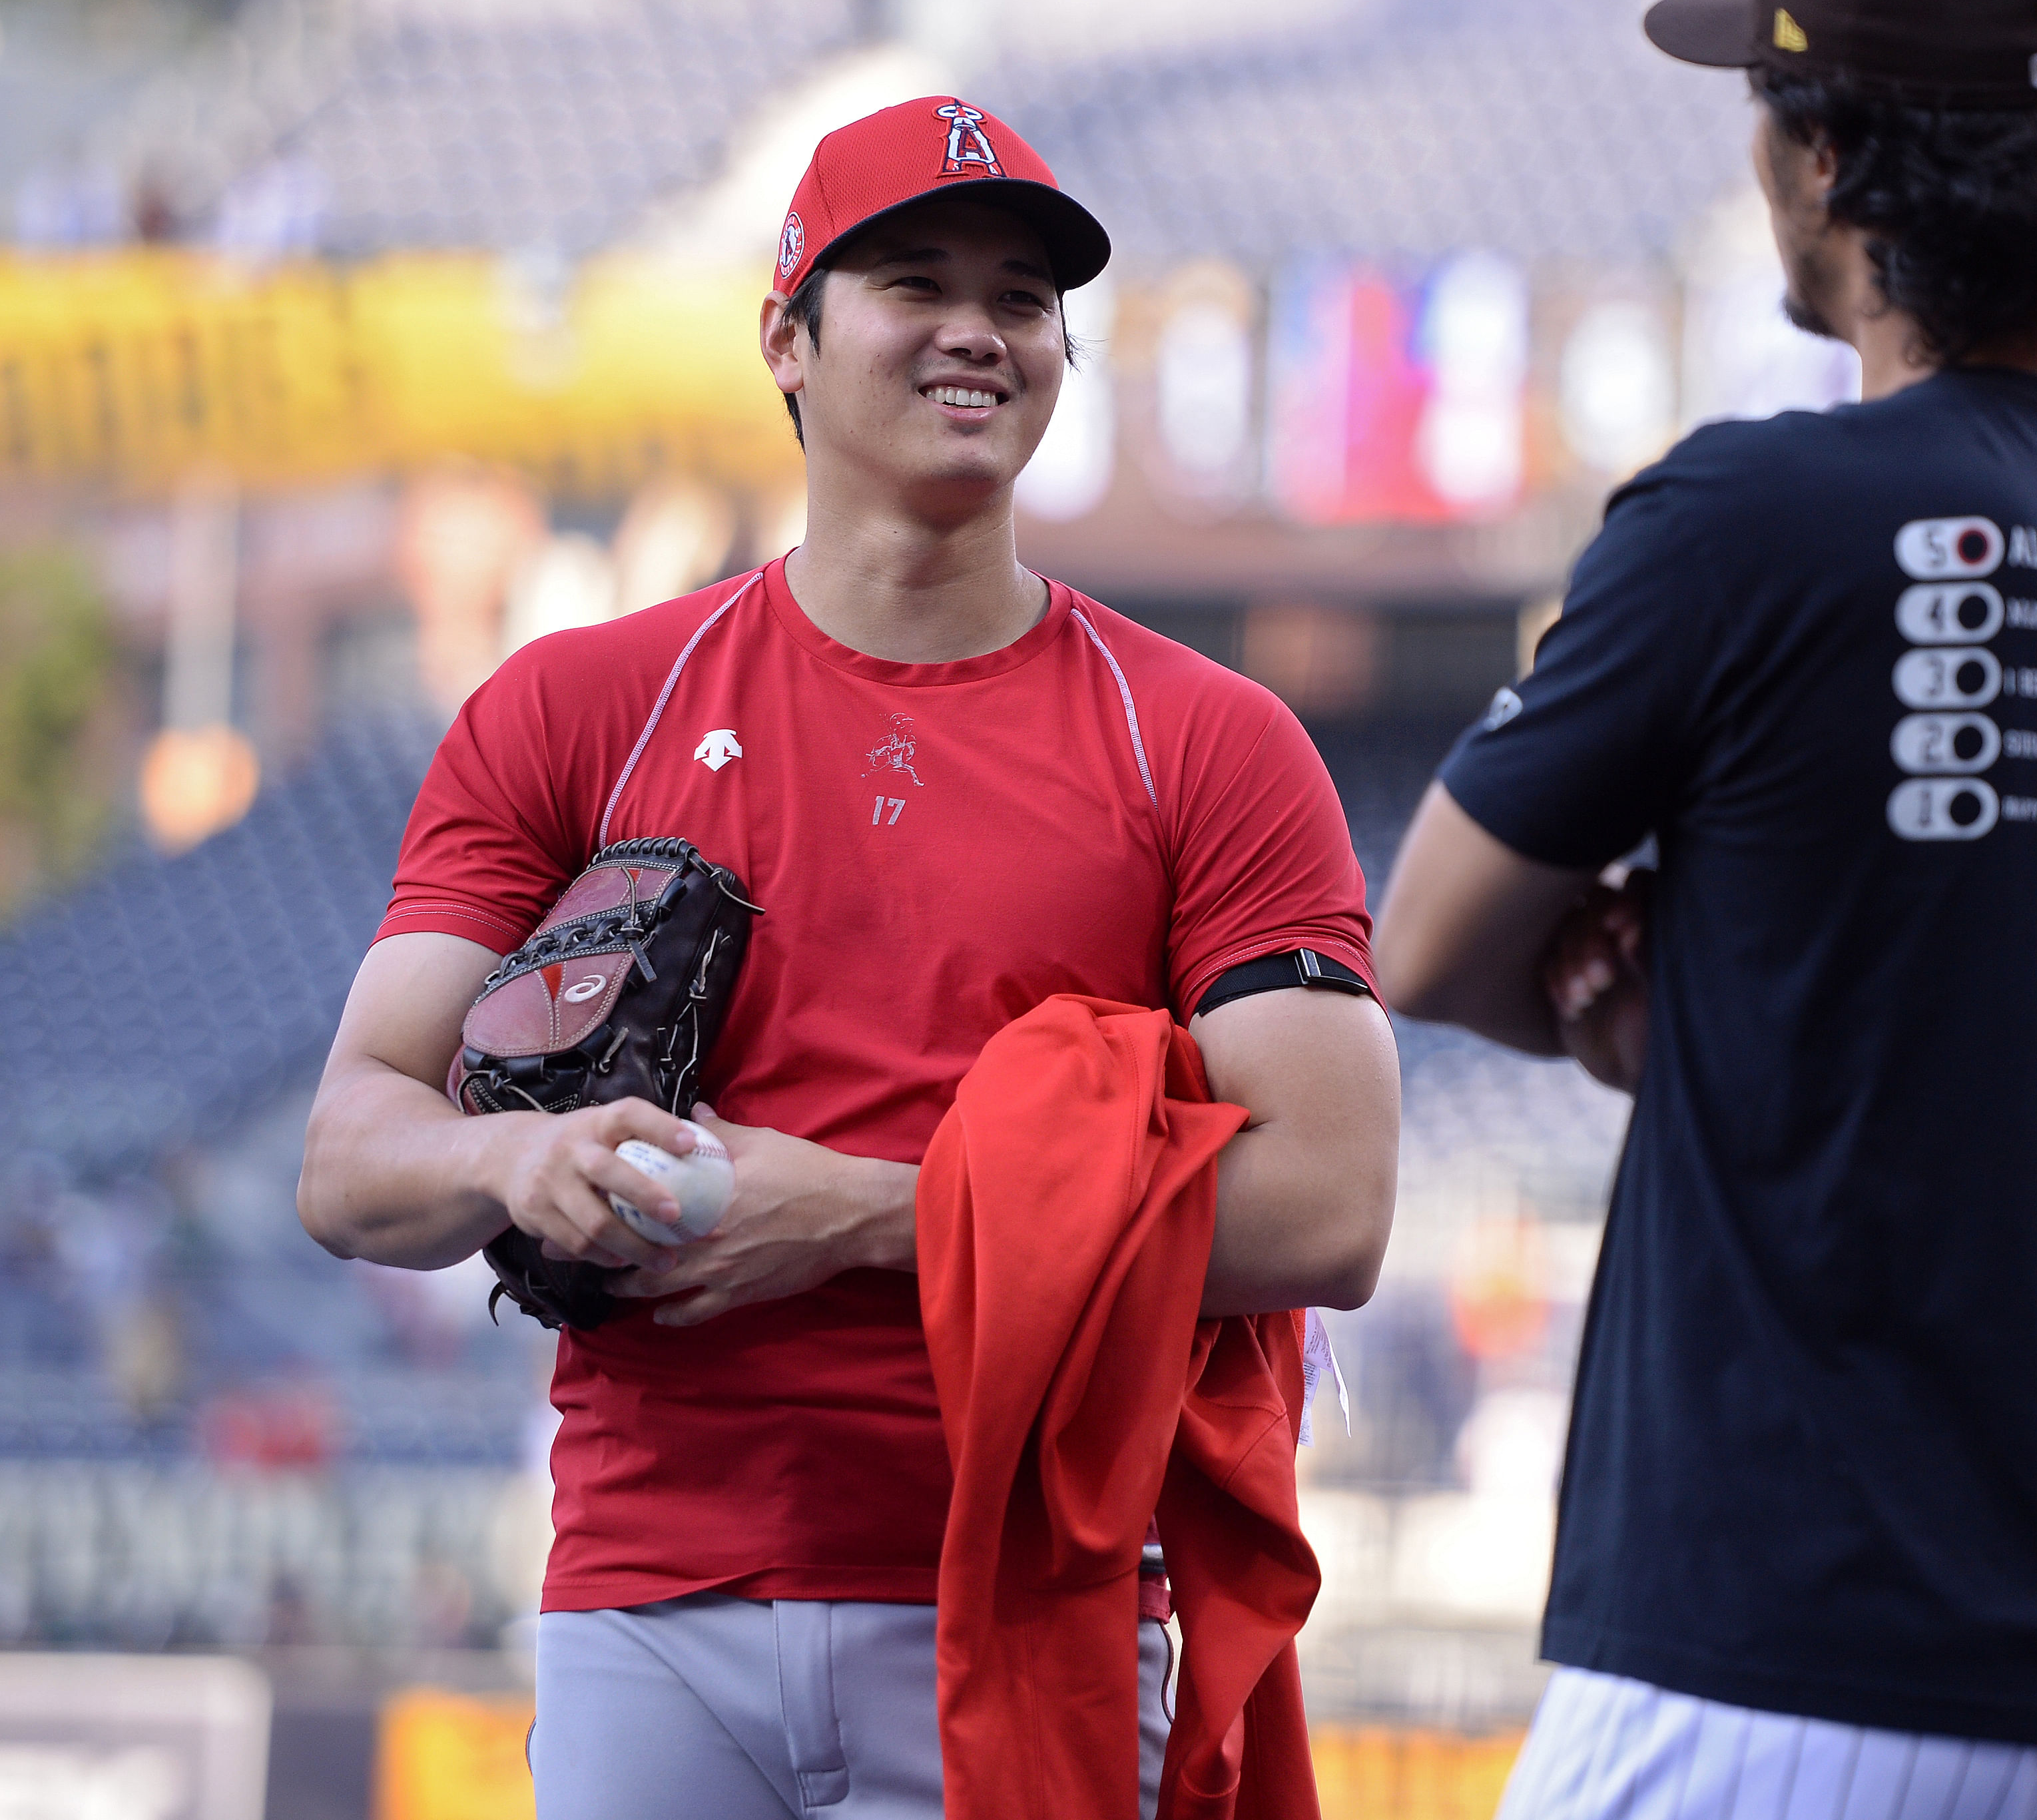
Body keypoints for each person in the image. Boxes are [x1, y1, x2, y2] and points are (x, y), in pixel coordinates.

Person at [299, 97, 1400, 1820]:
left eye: (1025, 297)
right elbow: (353, 1153)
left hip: (1031, 1608)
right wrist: (523, 1153)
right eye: (914, 278)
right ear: (786, 337)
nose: (980, 328)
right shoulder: (580, 705)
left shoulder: (1208, 739)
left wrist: (862, 1212)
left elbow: (1331, 1210)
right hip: (653, 1600)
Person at [1372, 0, 2037, 1815]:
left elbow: (1428, 945)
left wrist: (1634, 1006)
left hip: (1791, 1646)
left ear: (1828, 158)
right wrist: (1743, 985)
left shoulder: (1753, 514)